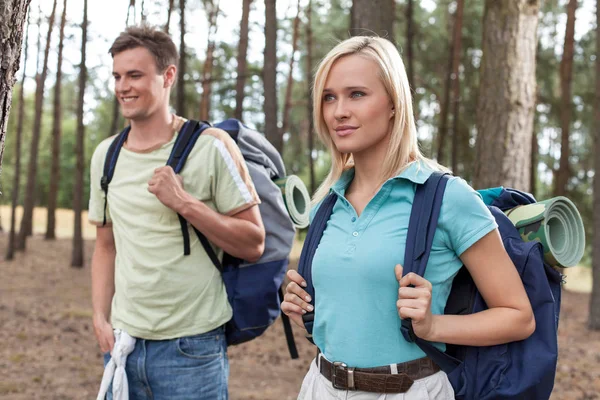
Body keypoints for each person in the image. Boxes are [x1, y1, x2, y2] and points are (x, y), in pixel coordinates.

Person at [281, 36, 535, 400]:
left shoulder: (447, 198)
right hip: (320, 387)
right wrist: (306, 305)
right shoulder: (327, 202)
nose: (338, 111)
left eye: (357, 94)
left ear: (394, 105)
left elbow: (519, 316)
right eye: (329, 97)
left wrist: (433, 325)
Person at [88, 25, 265, 400]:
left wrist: (184, 202)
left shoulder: (211, 147)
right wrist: (100, 317)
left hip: (192, 350)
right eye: (117, 76)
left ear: (168, 76)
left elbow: (254, 243)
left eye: (135, 75)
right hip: (123, 345)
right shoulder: (106, 155)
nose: (123, 87)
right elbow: (106, 245)